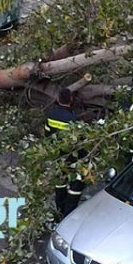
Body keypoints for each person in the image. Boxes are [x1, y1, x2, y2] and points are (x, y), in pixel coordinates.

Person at [45, 88, 84, 217]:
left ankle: (59, 208)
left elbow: (46, 134)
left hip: (56, 155)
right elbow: (79, 141)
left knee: (60, 182)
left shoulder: (51, 115)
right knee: (76, 184)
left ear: (58, 99)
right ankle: (68, 212)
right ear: (71, 100)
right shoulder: (72, 119)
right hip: (71, 157)